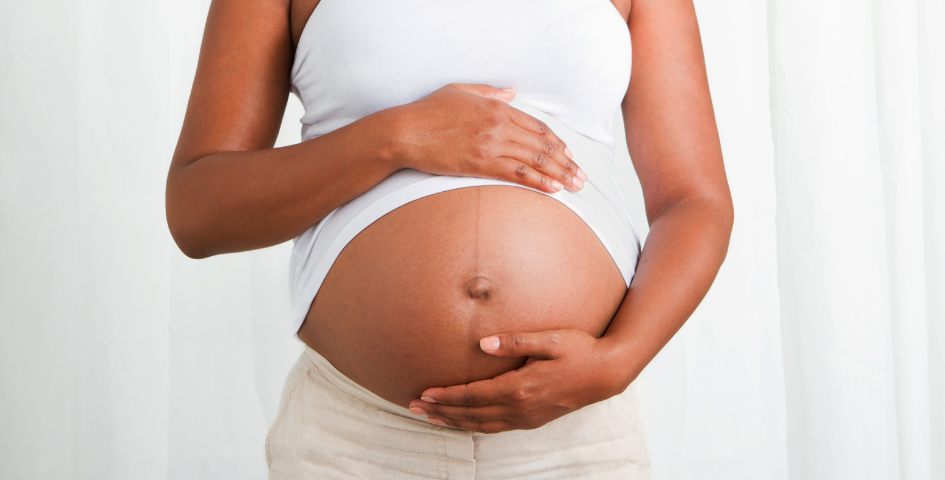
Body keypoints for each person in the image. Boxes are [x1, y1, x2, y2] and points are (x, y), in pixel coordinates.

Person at [165, 0, 733, 477]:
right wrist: (396, 137)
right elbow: (198, 209)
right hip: (356, 440)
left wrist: (619, 359)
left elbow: (694, 200)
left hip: (572, 434)